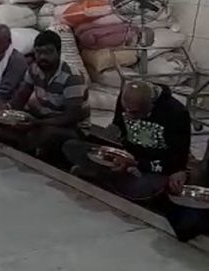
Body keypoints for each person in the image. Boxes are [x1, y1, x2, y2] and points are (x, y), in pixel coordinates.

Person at [63, 81, 191, 201]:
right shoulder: (125, 100)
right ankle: (110, 177)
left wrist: (137, 164)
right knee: (71, 146)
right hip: (125, 156)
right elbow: (118, 129)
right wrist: (109, 147)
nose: (128, 115)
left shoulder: (177, 113)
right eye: (126, 110)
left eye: (135, 113)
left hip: (152, 166)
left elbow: (177, 160)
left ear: (151, 105)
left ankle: (101, 176)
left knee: (139, 187)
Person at [0, 30, 90, 165]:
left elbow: (71, 117)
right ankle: (30, 146)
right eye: (38, 52)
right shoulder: (34, 69)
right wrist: (6, 111)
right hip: (45, 119)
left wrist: (37, 123)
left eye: (48, 52)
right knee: (1, 124)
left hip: (72, 128)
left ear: (58, 52)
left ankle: (31, 147)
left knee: (45, 133)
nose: (42, 57)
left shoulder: (72, 77)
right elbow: (21, 96)